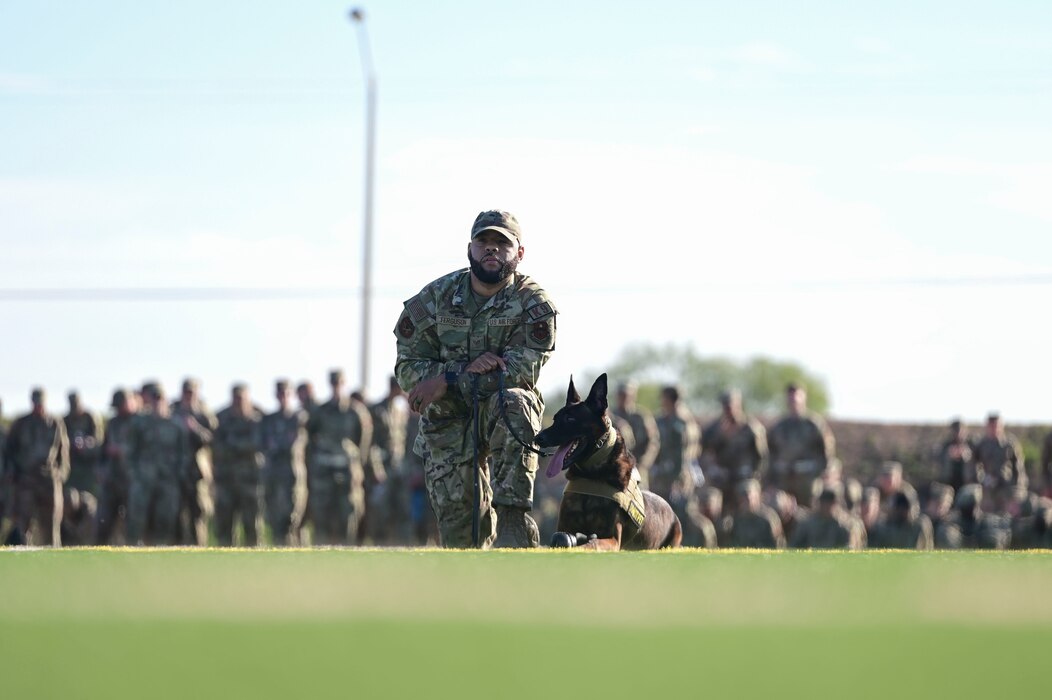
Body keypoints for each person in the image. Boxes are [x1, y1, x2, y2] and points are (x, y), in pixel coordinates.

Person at [394, 210, 557, 549]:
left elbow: (521, 370)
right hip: (448, 417)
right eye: (483, 241)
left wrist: (448, 378)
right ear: (470, 248)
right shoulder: (435, 298)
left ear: (519, 253)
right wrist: (457, 376)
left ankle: (513, 521)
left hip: (502, 414)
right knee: (462, 540)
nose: (491, 249)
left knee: (515, 400)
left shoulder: (533, 304)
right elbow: (408, 368)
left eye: (502, 243)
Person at [305, 369, 368, 545]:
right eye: (334, 383)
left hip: (347, 471)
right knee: (322, 515)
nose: (336, 387)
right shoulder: (320, 411)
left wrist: (357, 463)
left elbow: (363, 441)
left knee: (348, 513)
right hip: (324, 471)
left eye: (339, 383)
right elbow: (310, 437)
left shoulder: (356, 411)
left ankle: (347, 555)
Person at [3, 388, 70, 545]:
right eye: (35, 402)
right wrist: (13, 472)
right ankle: (22, 557)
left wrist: (61, 474)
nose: (38, 406)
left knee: (51, 523)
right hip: (26, 481)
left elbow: (64, 451)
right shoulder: (21, 423)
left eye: (40, 403)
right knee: (22, 524)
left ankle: (53, 557)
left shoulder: (55, 422)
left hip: (49, 480)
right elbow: (9, 450)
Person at [126, 383, 187, 545]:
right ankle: (134, 552)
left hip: (168, 480)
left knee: (165, 519)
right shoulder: (139, 423)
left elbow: (183, 453)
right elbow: (130, 451)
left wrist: (178, 475)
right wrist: (134, 474)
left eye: (160, 398)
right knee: (137, 519)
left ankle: (162, 552)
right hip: (144, 479)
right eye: (153, 398)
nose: (156, 402)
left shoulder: (176, 424)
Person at [213, 384, 264, 546]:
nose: (239, 402)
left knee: (252, 527)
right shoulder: (221, 418)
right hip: (226, 481)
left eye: (242, 398)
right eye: (236, 398)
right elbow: (216, 446)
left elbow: (257, 444)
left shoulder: (258, 419)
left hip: (250, 481)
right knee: (224, 528)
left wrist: (232, 445)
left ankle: (255, 565)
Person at [767, 383, 836, 505]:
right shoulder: (779, 427)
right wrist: (770, 482)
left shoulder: (814, 424)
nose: (794, 401)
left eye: (797, 397)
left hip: (808, 480)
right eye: (791, 398)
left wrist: (825, 474)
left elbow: (827, 451)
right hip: (783, 480)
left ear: (804, 398)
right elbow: (770, 454)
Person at [699, 389, 767, 507]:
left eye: (731, 405)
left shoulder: (752, 429)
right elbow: (702, 453)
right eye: (725, 405)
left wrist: (756, 478)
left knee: (747, 495)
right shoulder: (713, 430)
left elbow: (763, 457)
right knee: (708, 499)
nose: (728, 409)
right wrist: (711, 470)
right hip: (721, 478)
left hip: (744, 478)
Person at [170, 378, 218, 545]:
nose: (188, 396)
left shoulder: (204, 414)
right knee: (176, 515)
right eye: (186, 392)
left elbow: (212, 439)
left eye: (192, 392)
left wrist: (195, 428)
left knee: (198, 515)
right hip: (176, 472)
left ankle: (200, 551)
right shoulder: (173, 412)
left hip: (197, 473)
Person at [260, 380, 306, 546]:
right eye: (280, 394)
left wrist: (278, 445)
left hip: (292, 475)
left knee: (294, 518)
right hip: (273, 475)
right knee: (274, 518)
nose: (283, 397)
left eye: (286, 394)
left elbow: (294, 443)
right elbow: (263, 444)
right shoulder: (268, 420)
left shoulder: (298, 418)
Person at [367, 376, 410, 545]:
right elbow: (371, 443)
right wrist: (376, 469)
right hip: (382, 467)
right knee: (381, 511)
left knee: (401, 509)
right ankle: (380, 544)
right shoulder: (377, 410)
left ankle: (399, 545)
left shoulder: (400, 412)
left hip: (399, 466)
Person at [650, 385, 699, 523]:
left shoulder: (683, 422)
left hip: (679, 476)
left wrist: (677, 478)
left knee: (679, 510)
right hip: (662, 474)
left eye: (663, 397)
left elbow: (686, 452)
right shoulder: (661, 419)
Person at [94, 389, 137, 545]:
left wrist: (121, 450)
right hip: (112, 481)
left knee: (132, 524)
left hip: (132, 482)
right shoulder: (113, 423)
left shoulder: (140, 422)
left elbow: (144, 449)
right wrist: (100, 469)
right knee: (103, 522)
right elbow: (103, 450)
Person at [610, 381, 660, 487]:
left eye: (626, 395)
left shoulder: (641, 417)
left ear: (633, 396)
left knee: (640, 497)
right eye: (620, 395)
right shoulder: (610, 417)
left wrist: (644, 463)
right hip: (613, 469)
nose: (623, 398)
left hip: (637, 467)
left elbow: (653, 442)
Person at [789, 487, 863, 550]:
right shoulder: (807, 524)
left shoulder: (848, 524)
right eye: (824, 502)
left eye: (830, 503)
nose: (827, 506)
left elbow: (851, 549)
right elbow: (794, 546)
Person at [971, 413, 1027, 496]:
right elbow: (972, 465)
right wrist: (981, 478)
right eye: (991, 426)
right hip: (986, 486)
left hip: (1006, 484)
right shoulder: (980, 444)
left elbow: (1019, 467)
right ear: (987, 427)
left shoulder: (1009, 444)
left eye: (996, 426)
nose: (994, 429)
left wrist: (1018, 486)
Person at [64, 391, 103, 497]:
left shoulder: (90, 417)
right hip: (73, 461)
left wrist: (86, 445)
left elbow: (98, 439)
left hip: (90, 460)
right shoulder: (66, 420)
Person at [726, 478, 785, 548]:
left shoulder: (768, 517)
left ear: (758, 496)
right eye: (742, 496)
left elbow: (779, 544)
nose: (746, 499)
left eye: (749, 495)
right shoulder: (737, 519)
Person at [868, 490, 934, 550]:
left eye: (905, 508)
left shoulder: (920, 524)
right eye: (900, 508)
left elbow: (927, 547)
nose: (903, 511)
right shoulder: (885, 527)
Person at [938, 418, 974, 491]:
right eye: (956, 430)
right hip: (950, 481)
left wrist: (966, 455)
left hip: (966, 481)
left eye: (960, 430)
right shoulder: (947, 445)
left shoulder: (971, 444)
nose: (958, 433)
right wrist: (949, 455)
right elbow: (939, 459)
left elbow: (977, 461)